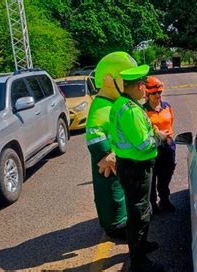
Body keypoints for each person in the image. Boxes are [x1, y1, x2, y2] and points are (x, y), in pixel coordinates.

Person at [109, 60, 168, 272]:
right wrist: (159, 138)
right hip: (136, 168)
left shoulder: (121, 104)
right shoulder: (131, 110)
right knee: (139, 213)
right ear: (138, 86)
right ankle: (139, 262)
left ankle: (140, 246)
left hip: (129, 164)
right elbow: (143, 145)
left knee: (139, 210)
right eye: (144, 85)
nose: (146, 89)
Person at [85, 52, 131, 240]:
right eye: (124, 80)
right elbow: (94, 134)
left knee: (119, 189)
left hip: (119, 160)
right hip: (109, 163)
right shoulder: (100, 107)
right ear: (108, 79)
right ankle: (114, 225)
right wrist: (104, 153)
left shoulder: (112, 103)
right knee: (110, 191)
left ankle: (122, 220)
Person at [143, 76, 176, 214]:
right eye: (154, 93)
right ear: (147, 94)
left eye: (159, 92)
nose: (157, 95)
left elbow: (171, 122)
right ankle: (152, 204)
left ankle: (164, 199)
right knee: (152, 177)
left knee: (166, 176)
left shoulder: (167, 106)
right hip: (153, 147)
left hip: (168, 147)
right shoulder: (142, 111)